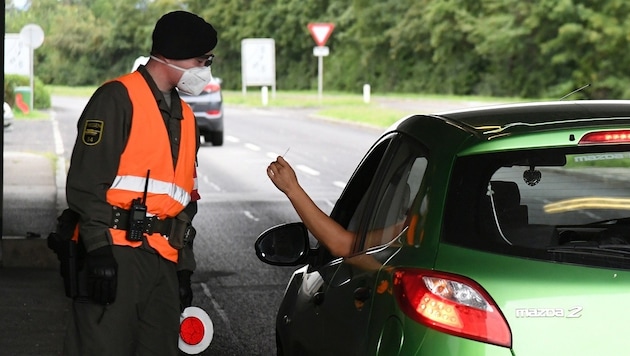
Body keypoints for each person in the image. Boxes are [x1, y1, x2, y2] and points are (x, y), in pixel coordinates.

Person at [63, 11, 217, 355]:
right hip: (115, 252)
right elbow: (86, 184)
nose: (204, 70)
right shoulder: (116, 98)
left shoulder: (186, 117)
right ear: (174, 54)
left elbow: (185, 202)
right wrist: (98, 248)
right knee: (101, 347)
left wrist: (183, 269)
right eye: (200, 60)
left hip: (163, 259)